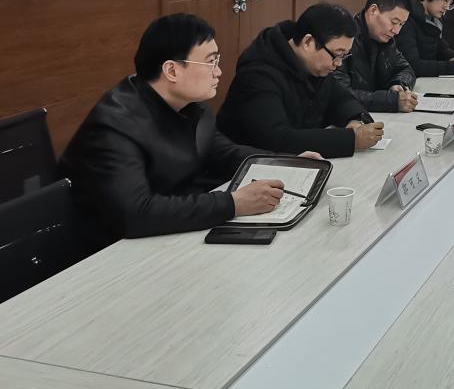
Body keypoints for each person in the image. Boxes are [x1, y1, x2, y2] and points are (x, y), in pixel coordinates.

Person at [60, 14, 319, 247]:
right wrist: (233, 203)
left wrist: (286, 164)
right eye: (211, 62)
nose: (219, 72)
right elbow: (135, 213)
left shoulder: (190, 106)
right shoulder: (115, 126)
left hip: (166, 233)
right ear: (172, 70)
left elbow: (224, 152)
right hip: (104, 253)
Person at [218, 3, 385, 159]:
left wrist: (355, 120)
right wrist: (351, 139)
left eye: (344, 55)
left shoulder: (313, 64)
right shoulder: (258, 75)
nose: (339, 63)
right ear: (308, 42)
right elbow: (276, 139)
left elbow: (340, 98)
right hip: (244, 168)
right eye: (337, 54)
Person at [333, 0, 418, 113]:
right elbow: (339, 95)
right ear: (373, 11)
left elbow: (405, 68)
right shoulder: (344, 39)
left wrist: (398, 84)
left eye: (401, 24)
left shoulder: (386, 40)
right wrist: (390, 100)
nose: (396, 31)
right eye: (394, 22)